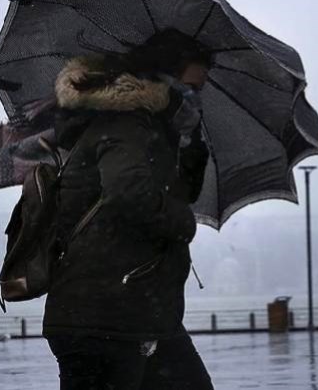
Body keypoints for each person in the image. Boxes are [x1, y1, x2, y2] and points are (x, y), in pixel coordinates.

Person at [43, 29, 214, 389]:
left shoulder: (153, 131)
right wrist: (184, 223)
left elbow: (173, 192)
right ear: (160, 81)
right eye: (190, 88)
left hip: (139, 314)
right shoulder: (125, 124)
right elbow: (129, 192)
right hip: (106, 319)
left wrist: (190, 145)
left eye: (200, 90)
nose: (195, 99)